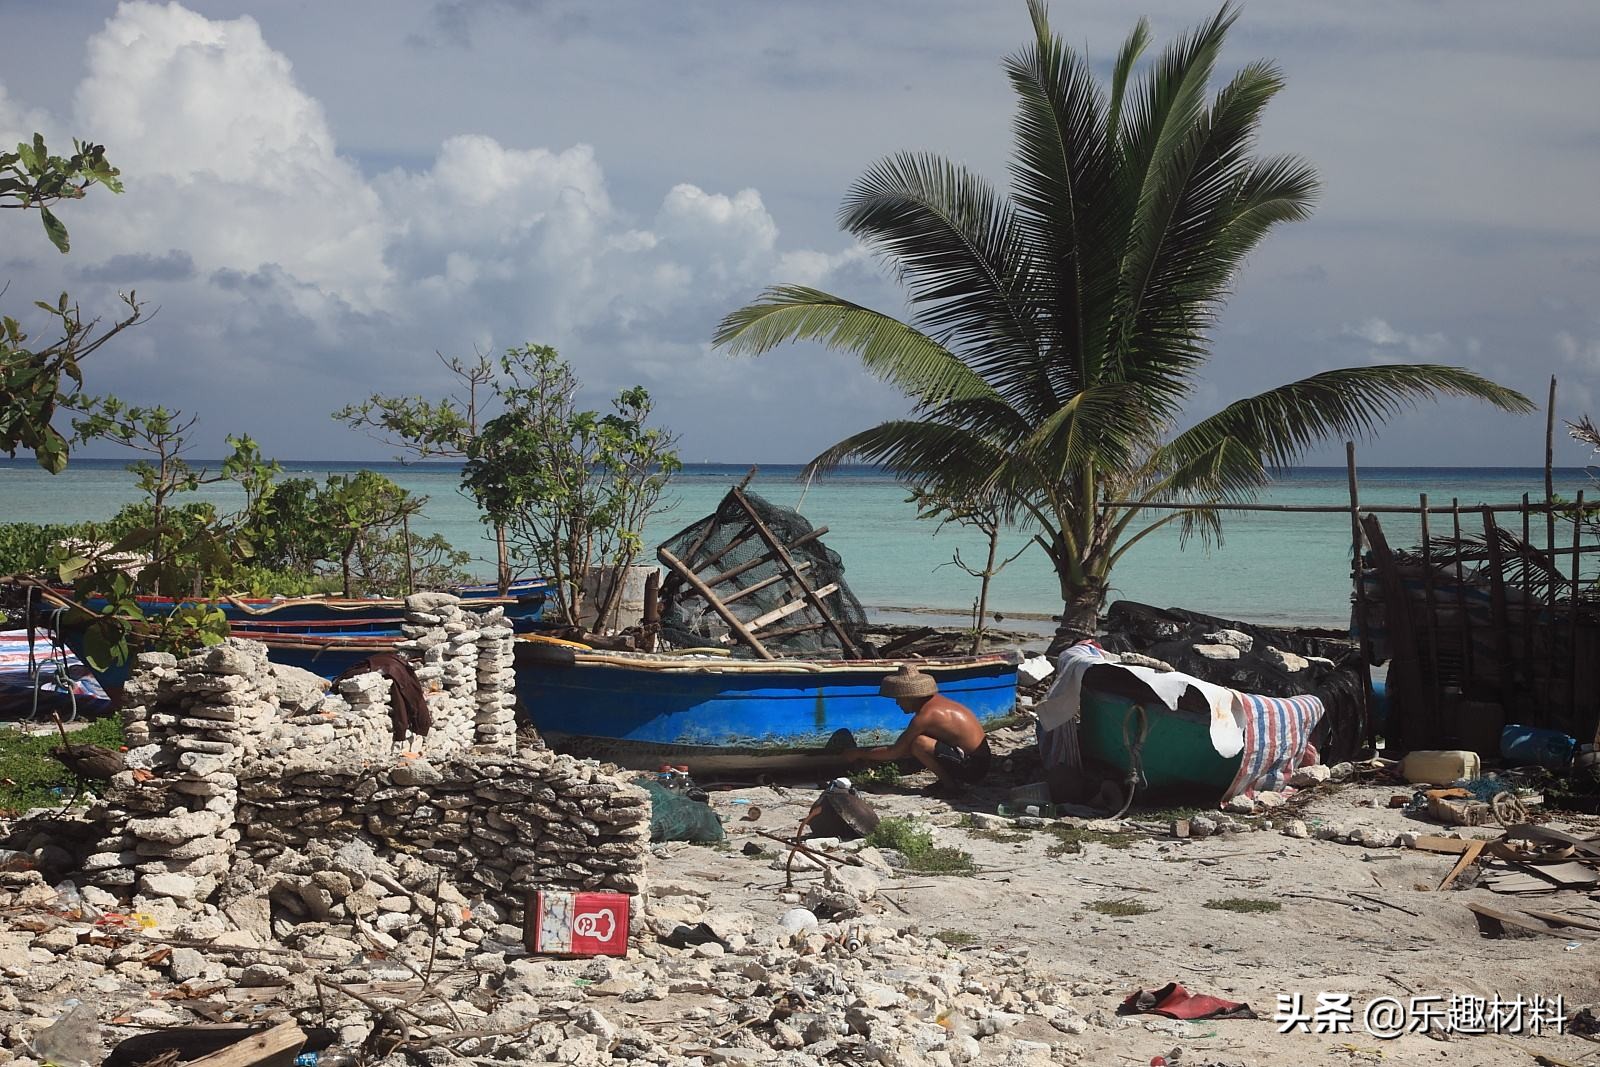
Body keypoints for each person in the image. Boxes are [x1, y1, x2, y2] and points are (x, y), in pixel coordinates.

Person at [846, 665, 992, 791]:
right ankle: (950, 781)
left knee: (919, 743)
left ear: (909, 697)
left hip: (974, 768)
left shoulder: (926, 716)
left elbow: (895, 752)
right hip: (976, 760)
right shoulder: (938, 703)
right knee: (914, 743)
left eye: (899, 699)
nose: (897, 703)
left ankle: (951, 788)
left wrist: (859, 753)